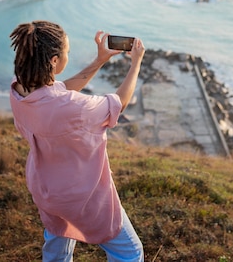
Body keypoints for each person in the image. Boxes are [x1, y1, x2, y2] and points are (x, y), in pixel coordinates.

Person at [9, 20, 145, 262]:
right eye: (66, 53)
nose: (67, 56)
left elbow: (59, 90)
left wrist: (100, 60)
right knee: (130, 253)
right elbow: (119, 103)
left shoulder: (19, 91)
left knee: (58, 246)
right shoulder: (75, 108)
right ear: (54, 60)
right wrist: (135, 64)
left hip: (47, 190)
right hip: (83, 195)